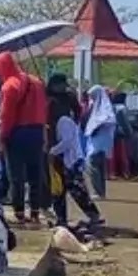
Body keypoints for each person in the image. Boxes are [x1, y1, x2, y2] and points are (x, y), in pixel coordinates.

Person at [0, 53, 46, 228]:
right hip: (37, 131)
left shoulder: (9, 86)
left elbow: (7, 116)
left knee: (16, 175)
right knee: (35, 173)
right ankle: (36, 212)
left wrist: (2, 138)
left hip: (18, 133)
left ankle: (20, 213)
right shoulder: (37, 82)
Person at [49, 89, 105, 235]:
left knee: (77, 191)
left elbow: (66, 142)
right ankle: (62, 218)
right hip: (69, 161)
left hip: (71, 161)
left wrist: (52, 151)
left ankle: (94, 216)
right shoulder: (64, 120)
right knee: (62, 192)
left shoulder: (63, 121)